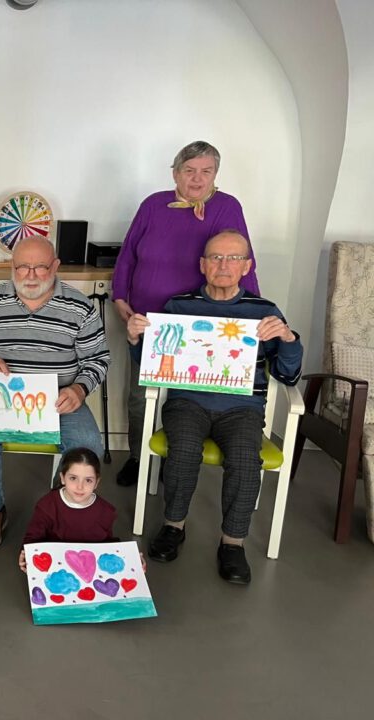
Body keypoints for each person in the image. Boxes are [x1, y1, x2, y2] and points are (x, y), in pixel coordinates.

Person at [126, 230, 302, 584]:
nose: (224, 265)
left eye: (233, 258)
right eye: (216, 258)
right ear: (203, 264)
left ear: (246, 266)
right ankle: (174, 526)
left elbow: (288, 375)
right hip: (187, 403)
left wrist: (288, 338)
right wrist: (134, 337)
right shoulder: (178, 307)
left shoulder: (264, 312)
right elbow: (152, 364)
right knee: (183, 450)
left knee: (245, 459)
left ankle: (233, 543)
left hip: (242, 410)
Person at [112, 141, 259, 487]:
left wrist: (252, 310)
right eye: (189, 170)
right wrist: (119, 295)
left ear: (215, 174)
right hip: (146, 320)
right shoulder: (153, 204)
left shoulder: (227, 207)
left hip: (198, 325)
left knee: (184, 400)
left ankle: (174, 458)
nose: (197, 178)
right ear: (175, 173)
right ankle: (138, 457)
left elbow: (241, 261)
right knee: (140, 397)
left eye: (206, 171)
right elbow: (128, 254)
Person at [0, 234, 110, 549]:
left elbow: (98, 359)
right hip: (2, 399)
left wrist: (80, 389)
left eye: (40, 267)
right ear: (12, 266)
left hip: (59, 398)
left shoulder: (80, 306)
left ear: (55, 266)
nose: (30, 275)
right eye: (22, 267)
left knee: (89, 444)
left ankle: (59, 509)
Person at [18, 448, 117, 573]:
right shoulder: (47, 506)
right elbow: (33, 538)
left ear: (96, 482)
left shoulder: (106, 511)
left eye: (88, 480)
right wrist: (26, 555)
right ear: (62, 478)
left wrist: (131, 558)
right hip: (55, 569)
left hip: (89, 571)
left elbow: (108, 546)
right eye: (73, 478)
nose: (80, 487)